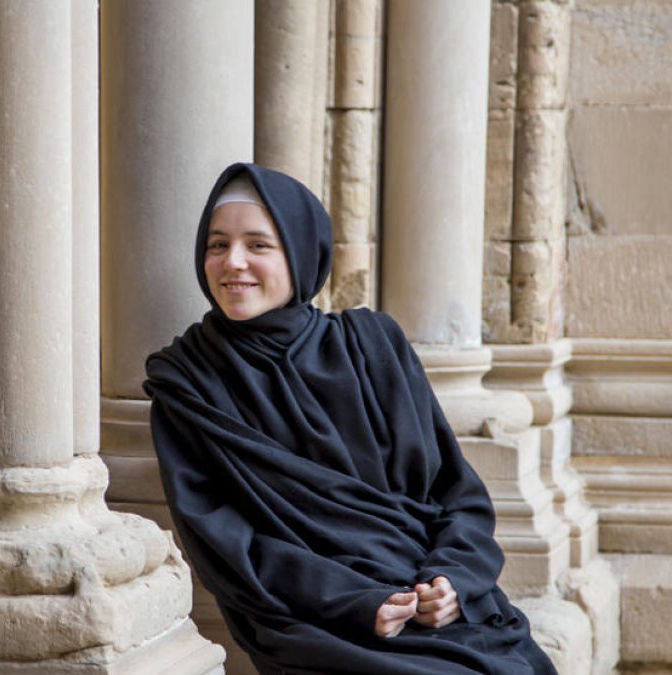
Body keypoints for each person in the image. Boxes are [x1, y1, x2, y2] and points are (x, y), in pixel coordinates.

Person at [144, 163, 556, 674]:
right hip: (316, 617)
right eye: (216, 244)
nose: (233, 262)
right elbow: (224, 541)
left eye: (258, 245)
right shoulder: (188, 382)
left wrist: (455, 581)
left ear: (300, 251)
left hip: (431, 595)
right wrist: (355, 602)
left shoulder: (371, 344)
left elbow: (456, 492)